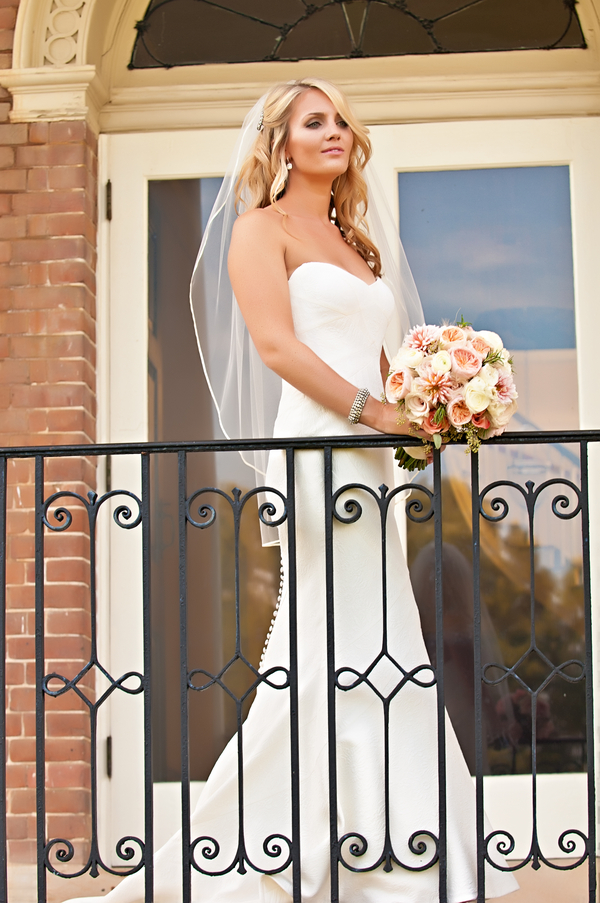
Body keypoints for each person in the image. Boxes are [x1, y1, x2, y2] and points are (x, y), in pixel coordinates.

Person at [65, 79, 518, 903]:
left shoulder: (356, 241)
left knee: (382, 644)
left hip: (373, 463)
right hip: (318, 451)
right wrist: (373, 410)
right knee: (323, 644)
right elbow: (276, 345)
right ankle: (284, 840)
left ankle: (389, 837)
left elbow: (376, 357)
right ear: (279, 146)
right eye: (316, 122)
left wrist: (443, 403)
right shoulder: (259, 230)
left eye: (341, 119)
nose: (335, 132)